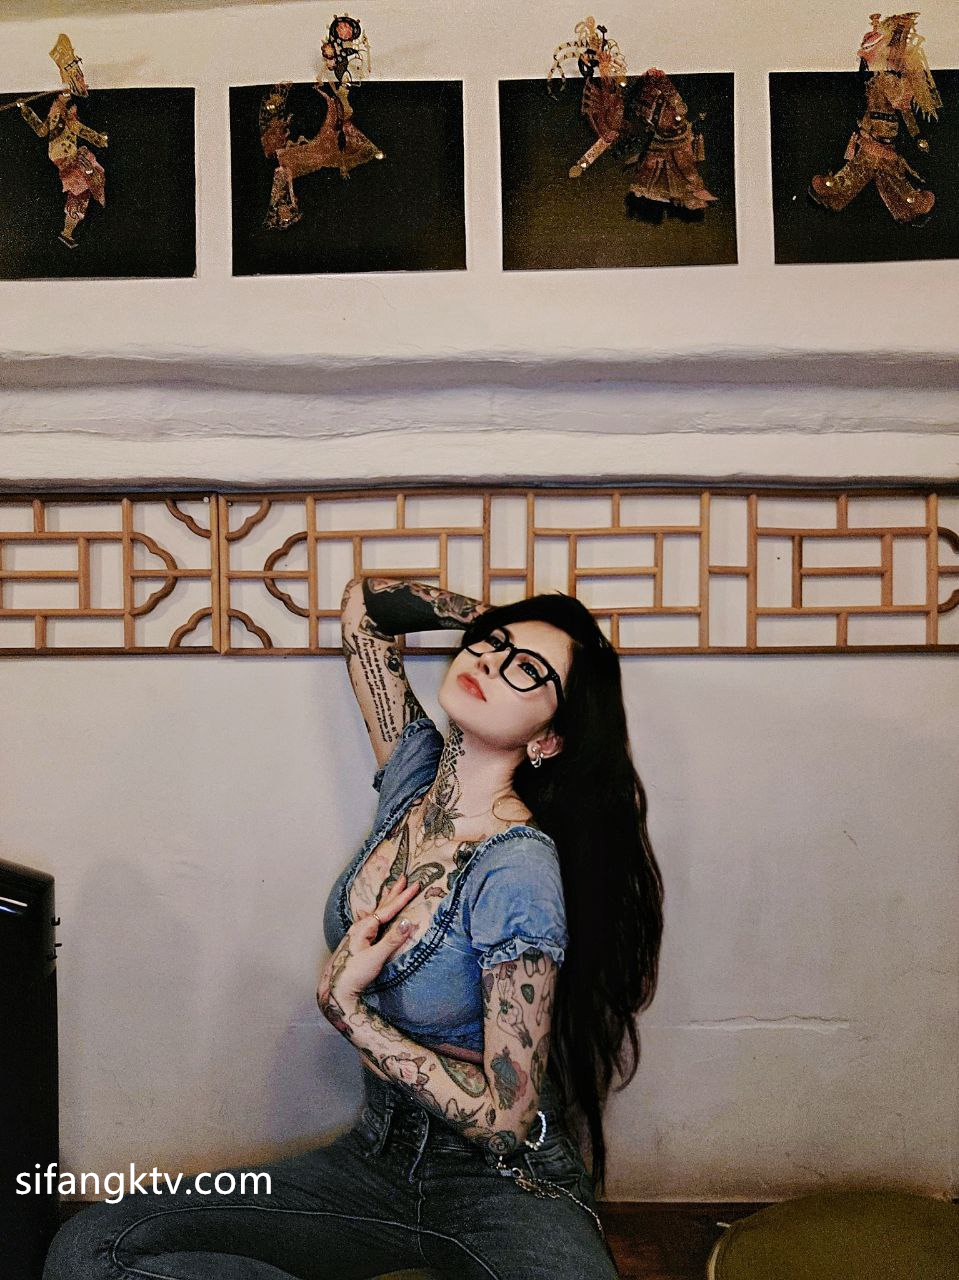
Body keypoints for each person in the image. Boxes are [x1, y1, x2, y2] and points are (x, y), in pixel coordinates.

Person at [43, 576, 664, 1279]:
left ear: (548, 738)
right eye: (489, 645)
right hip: (376, 1159)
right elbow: (365, 612)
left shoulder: (517, 867)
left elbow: (506, 1120)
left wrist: (347, 1010)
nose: (491, 661)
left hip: (501, 1187)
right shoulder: (413, 775)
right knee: (90, 1249)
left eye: (527, 669)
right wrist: (494, 619)